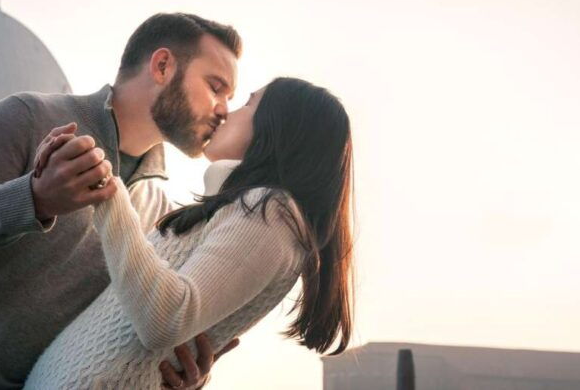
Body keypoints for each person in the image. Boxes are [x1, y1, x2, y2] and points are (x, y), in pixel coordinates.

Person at [0, 13, 242, 389]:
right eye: (215, 87)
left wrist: (175, 378)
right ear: (162, 66)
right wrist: (35, 198)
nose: (224, 109)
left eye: (230, 97)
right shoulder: (30, 116)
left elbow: (117, 337)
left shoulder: (159, 212)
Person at [23, 77, 355, 389]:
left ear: (278, 128)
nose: (227, 112)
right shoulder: (251, 209)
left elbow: (167, 321)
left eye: (248, 104)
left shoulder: (269, 212)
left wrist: (106, 190)